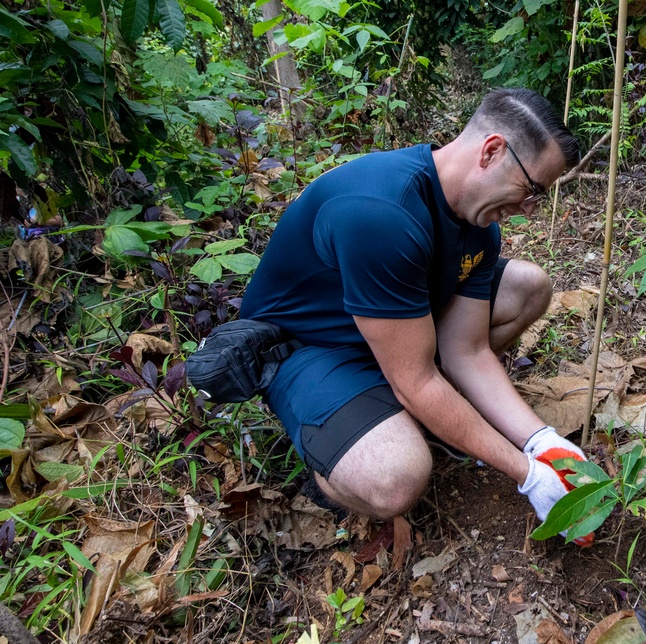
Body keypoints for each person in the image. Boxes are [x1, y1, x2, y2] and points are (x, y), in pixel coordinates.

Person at [240, 88, 593, 545]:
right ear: (491, 151)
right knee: (395, 477)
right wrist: (526, 473)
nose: (529, 210)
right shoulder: (382, 213)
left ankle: (412, 412)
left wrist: (541, 442)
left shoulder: (479, 230)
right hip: (310, 347)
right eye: (533, 190)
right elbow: (418, 379)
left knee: (527, 286)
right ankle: (332, 452)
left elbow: (467, 350)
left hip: (394, 334)